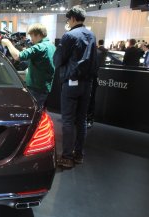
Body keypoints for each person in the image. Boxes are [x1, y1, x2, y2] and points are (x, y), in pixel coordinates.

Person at [54, 6, 98, 168]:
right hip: (88, 84)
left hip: (71, 82)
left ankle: (66, 157)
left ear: (72, 18)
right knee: (81, 120)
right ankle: (78, 155)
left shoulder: (69, 36)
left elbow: (58, 60)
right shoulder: (92, 35)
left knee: (67, 120)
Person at [1, 23, 55, 108]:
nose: (31, 39)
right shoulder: (51, 45)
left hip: (36, 87)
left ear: (37, 34)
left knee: (33, 112)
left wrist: (8, 43)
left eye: (32, 36)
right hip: (45, 86)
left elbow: (17, 56)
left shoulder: (39, 47)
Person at [87, 39, 107, 128]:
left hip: (91, 80)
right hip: (86, 80)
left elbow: (96, 68)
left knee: (91, 100)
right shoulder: (87, 52)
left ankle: (89, 119)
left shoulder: (97, 53)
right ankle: (85, 119)